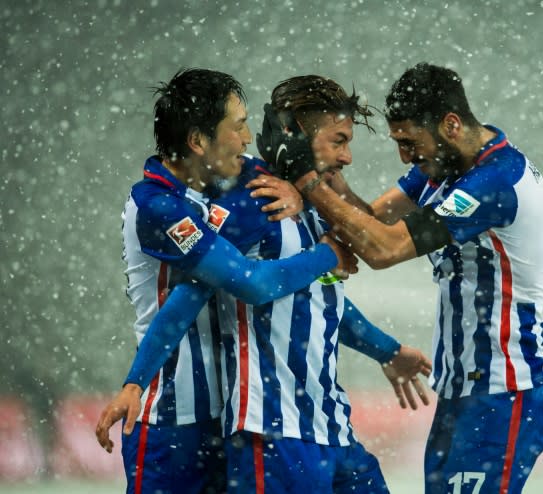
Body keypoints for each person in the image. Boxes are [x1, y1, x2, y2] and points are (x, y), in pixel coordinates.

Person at [97, 72, 432, 493]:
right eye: (237, 126)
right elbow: (222, 288)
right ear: (199, 141)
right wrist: (135, 382)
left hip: (287, 418)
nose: (248, 137)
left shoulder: (271, 189)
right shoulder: (171, 204)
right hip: (184, 415)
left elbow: (315, 301)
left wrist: (387, 349)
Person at [278, 63, 543, 494]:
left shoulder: (495, 181)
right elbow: (370, 219)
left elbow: (383, 248)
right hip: (468, 393)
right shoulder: (450, 161)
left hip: (505, 391)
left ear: (450, 124)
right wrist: (328, 182)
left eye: (410, 143)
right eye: (399, 143)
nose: (406, 157)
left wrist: (307, 181)